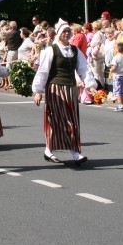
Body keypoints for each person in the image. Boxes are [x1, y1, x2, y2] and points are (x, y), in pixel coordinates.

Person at [32, 19, 96, 165]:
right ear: (59, 34)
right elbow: (43, 71)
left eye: (68, 31)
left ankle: (75, 153)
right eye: (64, 32)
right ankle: (49, 150)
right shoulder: (51, 50)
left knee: (72, 120)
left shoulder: (75, 50)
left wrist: (90, 84)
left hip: (71, 89)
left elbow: (84, 68)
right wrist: (38, 91)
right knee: (55, 120)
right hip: (55, 89)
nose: (66, 34)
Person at [110, 42, 123, 112]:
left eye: (115, 48)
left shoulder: (116, 57)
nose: (114, 49)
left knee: (118, 90)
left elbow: (114, 67)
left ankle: (120, 104)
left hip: (117, 75)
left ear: (117, 49)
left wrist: (111, 70)